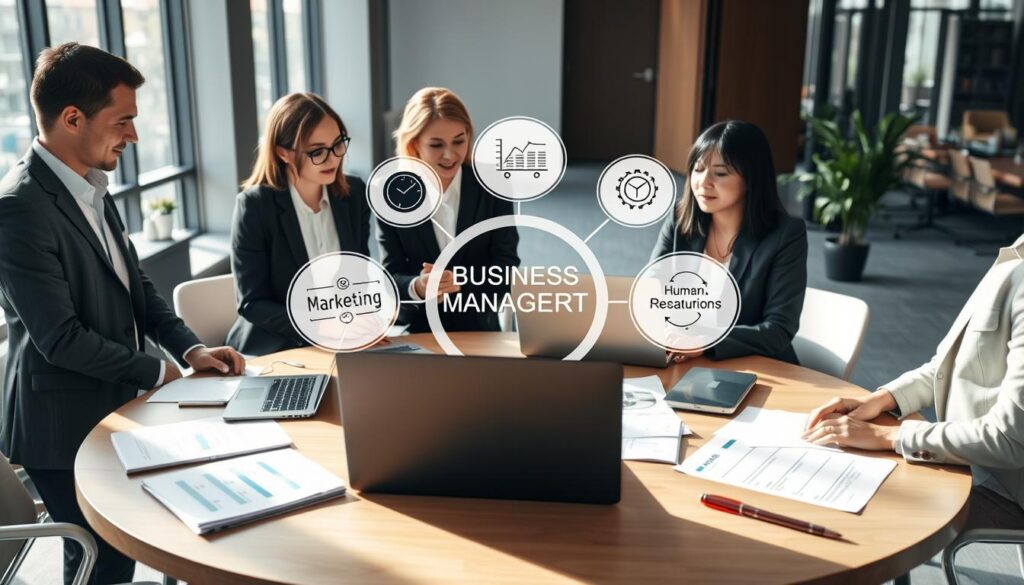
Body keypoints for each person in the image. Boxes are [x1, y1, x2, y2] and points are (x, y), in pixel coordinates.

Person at [0, 43, 244, 585]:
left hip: (113, 404)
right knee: (102, 561)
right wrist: (160, 371)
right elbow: (60, 339)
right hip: (59, 425)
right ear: (72, 118)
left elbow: (137, 287)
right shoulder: (18, 207)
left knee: (133, 547)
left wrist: (190, 349)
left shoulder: (90, 183)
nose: (133, 135)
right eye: (122, 120)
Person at [803, 235, 1024, 532]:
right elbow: (946, 366)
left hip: (999, 487)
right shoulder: (1017, 254)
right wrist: (881, 399)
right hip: (968, 458)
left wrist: (884, 435)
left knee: (843, 498)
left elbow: (1008, 440)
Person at [651, 120, 807, 364]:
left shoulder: (785, 235)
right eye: (698, 169)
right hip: (683, 359)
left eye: (720, 173)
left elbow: (778, 330)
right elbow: (650, 290)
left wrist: (704, 342)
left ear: (751, 179)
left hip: (757, 367)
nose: (704, 182)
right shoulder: (680, 219)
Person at [227, 92, 371, 355]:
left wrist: (365, 320)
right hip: (276, 350)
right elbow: (252, 303)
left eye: (338, 144)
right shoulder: (255, 206)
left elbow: (359, 275)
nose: (333, 159)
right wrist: (321, 326)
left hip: (341, 342)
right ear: (283, 153)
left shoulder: (353, 194)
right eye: (317, 151)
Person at [377, 87, 519, 333]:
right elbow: (390, 278)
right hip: (420, 332)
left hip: (477, 329)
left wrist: (460, 280)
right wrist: (417, 287)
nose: (450, 154)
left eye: (459, 141)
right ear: (414, 144)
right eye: (436, 145)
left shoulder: (493, 184)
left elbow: (506, 269)